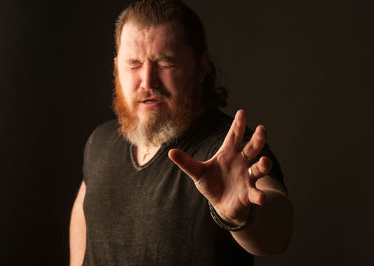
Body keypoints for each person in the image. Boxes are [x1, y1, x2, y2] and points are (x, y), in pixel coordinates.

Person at [69, 0, 293, 265]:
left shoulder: (231, 151)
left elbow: (278, 235)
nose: (147, 80)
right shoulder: (100, 142)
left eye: (165, 63)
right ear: (117, 67)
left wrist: (241, 217)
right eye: (133, 64)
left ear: (201, 68)